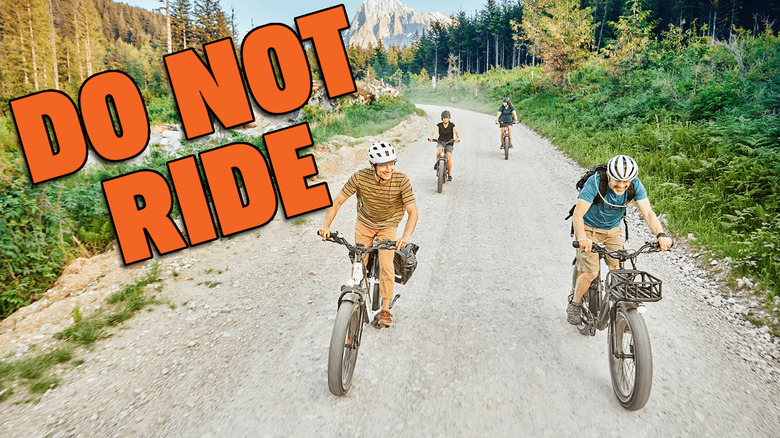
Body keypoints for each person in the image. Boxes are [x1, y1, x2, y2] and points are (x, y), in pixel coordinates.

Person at [319, 142, 418, 328]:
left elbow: (413, 212)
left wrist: (405, 237)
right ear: (373, 165)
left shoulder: (401, 181)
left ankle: (385, 310)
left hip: (388, 226)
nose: (389, 169)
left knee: (386, 266)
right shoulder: (360, 177)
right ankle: (355, 294)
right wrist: (326, 225)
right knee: (359, 261)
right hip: (365, 224)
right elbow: (337, 201)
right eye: (383, 165)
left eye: (392, 163)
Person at [567, 155, 673, 325]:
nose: (622, 186)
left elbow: (648, 213)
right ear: (609, 175)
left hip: (613, 230)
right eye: (617, 181)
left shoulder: (635, 185)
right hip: (588, 229)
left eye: (626, 182)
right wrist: (582, 238)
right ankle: (575, 303)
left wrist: (660, 234)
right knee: (590, 272)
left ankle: (622, 315)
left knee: (617, 271)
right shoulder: (596, 182)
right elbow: (578, 214)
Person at [427, 110, 461, 181]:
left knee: (448, 157)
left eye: (446, 117)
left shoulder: (452, 125)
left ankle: (449, 174)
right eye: (444, 118)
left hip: (449, 142)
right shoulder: (439, 125)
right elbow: (433, 131)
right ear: (442, 118)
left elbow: (456, 131)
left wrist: (457, 138)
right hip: (441, 141)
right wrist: (431, 137)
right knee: (439, 152)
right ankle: (438, 162)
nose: (445, 119)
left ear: (449, 118)